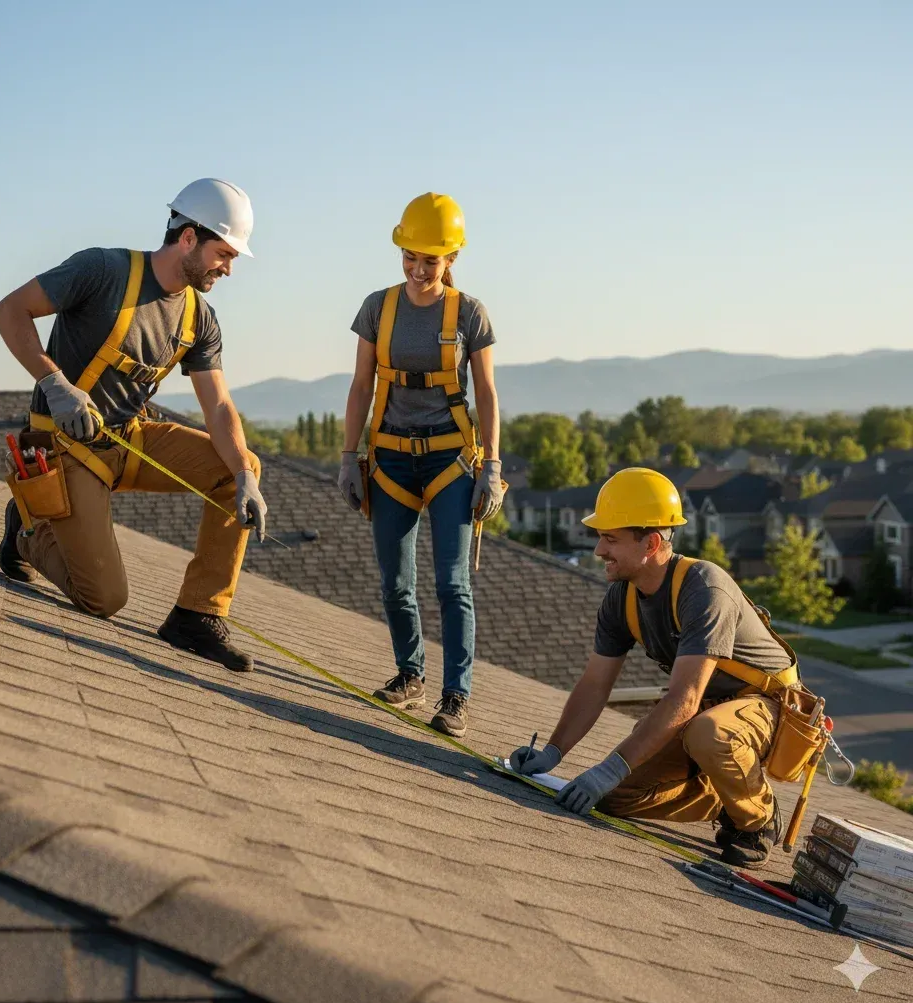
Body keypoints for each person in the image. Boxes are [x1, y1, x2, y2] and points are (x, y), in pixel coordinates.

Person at [0, 178, 266, 672]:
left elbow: (219, 406)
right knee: (103, 599)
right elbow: (9, 311)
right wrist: (56, 384)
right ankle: (27, 531)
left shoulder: (199, 318)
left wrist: (244, 474)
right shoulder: (102, 271)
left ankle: (197, 616)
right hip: (64, 444)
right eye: (224, 254)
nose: (228, 268)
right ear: (188, 237)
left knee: (238, 465)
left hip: (129, 440)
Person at [509, 468, 798, 867]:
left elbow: (684, 699)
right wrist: (553, 753)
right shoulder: (622, 599)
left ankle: (756, 818)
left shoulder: (704, 589)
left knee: (710, 733)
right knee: (613, 797)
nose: (599, 550)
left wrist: (608, 767)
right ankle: (723, 796)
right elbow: (594, 685)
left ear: (652, 543)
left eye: (611, 539)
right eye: (600, 537)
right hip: (703, 711)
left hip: (766, 707)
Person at [337, 193, 505, 738]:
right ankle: (410, 675)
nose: (417, 269)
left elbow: (487, 394)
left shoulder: (469, 313)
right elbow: (361, 385)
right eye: (409, 256)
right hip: (390, 457)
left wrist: (492, 465)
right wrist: (348, 456)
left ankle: (456, 696)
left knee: (452, 584)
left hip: (450, 459)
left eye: (429, 260)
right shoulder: (378, 308)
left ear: (451, 258)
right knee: (394, 583)